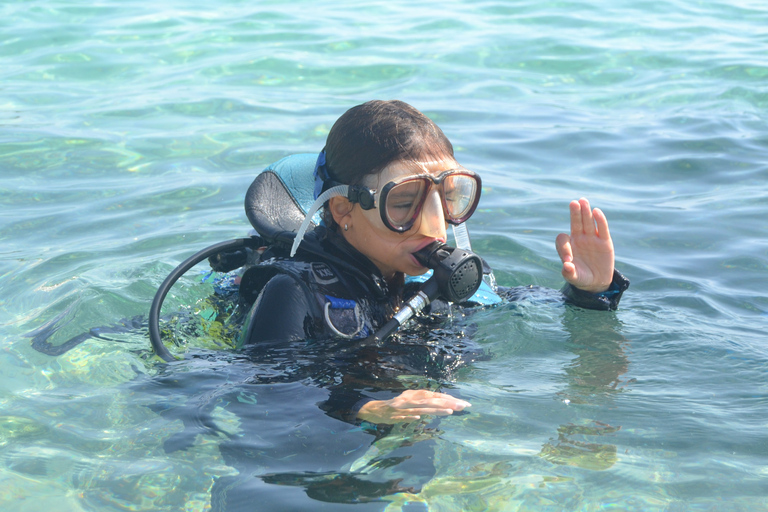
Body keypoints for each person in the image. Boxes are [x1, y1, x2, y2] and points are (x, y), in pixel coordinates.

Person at [236, 99, 629, 427]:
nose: (436, 224)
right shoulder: (294, 292)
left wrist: (589, 293)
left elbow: (517, 307)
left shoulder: (438, 277)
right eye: (405, 204)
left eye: (449, 197)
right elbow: (267, 398)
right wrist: (365, 409)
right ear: (343, 210)